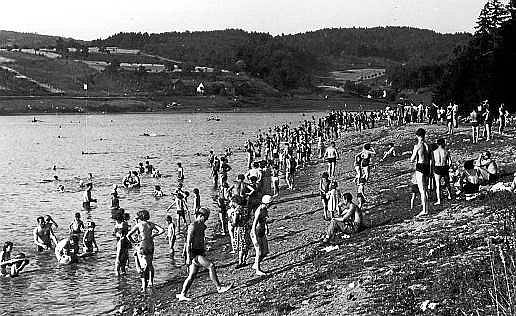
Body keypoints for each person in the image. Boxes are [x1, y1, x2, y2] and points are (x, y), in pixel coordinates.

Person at [176, 208, 232, 301]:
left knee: (192, 275)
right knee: (211, 265)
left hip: (200, 251)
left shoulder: (203, 226)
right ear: (200, 216)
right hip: (193, 253)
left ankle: (182, 294)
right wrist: (187, 257)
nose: (207, 219)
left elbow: (201, 239)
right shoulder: (192, 226)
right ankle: (219, 287)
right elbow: (188, 242)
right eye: (205, 217)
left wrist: (204, 249)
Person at [128, 210, 165, 292]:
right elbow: (162, 230)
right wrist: (155, 234)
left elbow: (128, 235)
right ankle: (151, 282)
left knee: (143, 266)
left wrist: (134, 243)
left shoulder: (139, 225)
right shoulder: (151, 224)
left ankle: (143, 285)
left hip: (142, 245)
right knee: (150, 264)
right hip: (151, 245)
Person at [410, 128, 432, 216]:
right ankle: (426, 208)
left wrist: (413, 154)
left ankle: (424, 210)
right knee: (425, 190)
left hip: (420, 167)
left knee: (422, 190)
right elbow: (430, 158)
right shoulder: (428, 146)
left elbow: (412, 159)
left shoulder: (417, 146)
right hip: (427, 167)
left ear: (417, 136)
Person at [251, 195, 272, 276]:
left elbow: (264, 220)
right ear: (266, 203)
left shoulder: (265, 209)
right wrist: (255, 238)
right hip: (256, 232)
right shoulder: (259, 210)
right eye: (270, 203)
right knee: (258, 251)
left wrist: (266, 228)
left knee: (265, 252)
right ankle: (258, 270)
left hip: (262, 231)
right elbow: (254, 225)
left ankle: (256, 264)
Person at [229, 196, 250, 267]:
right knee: (245, 244)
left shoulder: (237, 210)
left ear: (235, 202)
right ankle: (244, 260)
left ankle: (240, 261)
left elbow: (235, 222)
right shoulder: (245, 209)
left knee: (240, 245)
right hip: (246, 227)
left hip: (239, 228)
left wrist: (231, 222)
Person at [433, 138, 453, 205]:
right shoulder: (446, 151)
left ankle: (439, 200)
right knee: (447, 183)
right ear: (443, 143)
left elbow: (432, 162)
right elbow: (450, 162)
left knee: (438, 185)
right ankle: (449, 195)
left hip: (437, 168)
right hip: (444, 167)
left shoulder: (434, 152)